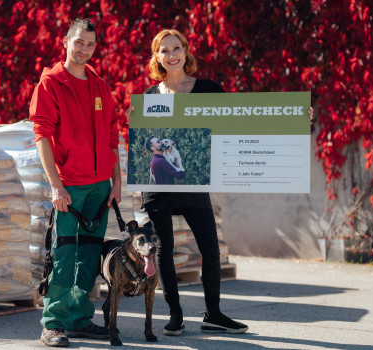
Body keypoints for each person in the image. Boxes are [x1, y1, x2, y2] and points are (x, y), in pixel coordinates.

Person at [128, 29, 314, 336]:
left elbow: (241, 120)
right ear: (156, 57)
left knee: (210, 250)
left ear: (186, 52)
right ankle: (175, 316)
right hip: (158, 184)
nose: (172, 54)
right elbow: (143, 142)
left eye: (177, 48)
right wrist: (132, 123)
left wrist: (294, 119)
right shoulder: (148, 97)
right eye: (165, 50)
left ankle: (213, 314)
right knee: (164, 250)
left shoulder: (207, 89)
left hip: (194, 181)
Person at [29, 18, 121, 347]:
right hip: (69, 186)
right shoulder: (51, 84)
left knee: (90, 257)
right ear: (66, 41)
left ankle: (80, 319)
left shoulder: (100, 86)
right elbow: (41, 136)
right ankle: (53, 323)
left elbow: (113, 134)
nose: (83, 49)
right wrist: (56, 186)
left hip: (99, 187)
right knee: (66, 255)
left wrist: (116, 182)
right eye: (78, 42)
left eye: (90, 45)